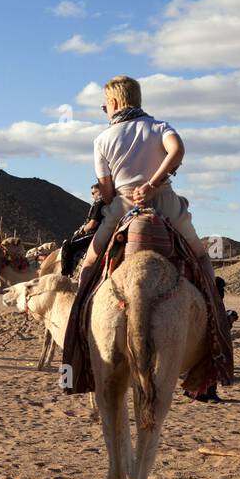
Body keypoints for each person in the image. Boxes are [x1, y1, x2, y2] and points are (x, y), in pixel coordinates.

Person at [80, 76, 220, 311]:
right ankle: (216, 311)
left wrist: (110, 198)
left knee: (90, 262)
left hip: (123, 205)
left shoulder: (102, 139)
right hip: (165, 202)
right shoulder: (159, 127)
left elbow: (106, 190)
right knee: (201, 256)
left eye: (105, 106)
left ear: (114, 102)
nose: (105, 110)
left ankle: (78, 318)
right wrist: (152, 185)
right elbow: (177, 150)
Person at [60, 183, 105, 277]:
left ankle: (65, 275)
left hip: (94, 234)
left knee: (67, 244)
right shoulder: (106, 202)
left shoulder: (99, 203)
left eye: (94, 193)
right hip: (100, 232)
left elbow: (93, 223)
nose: (92, 196)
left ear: (100, 191)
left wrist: (81, 231)